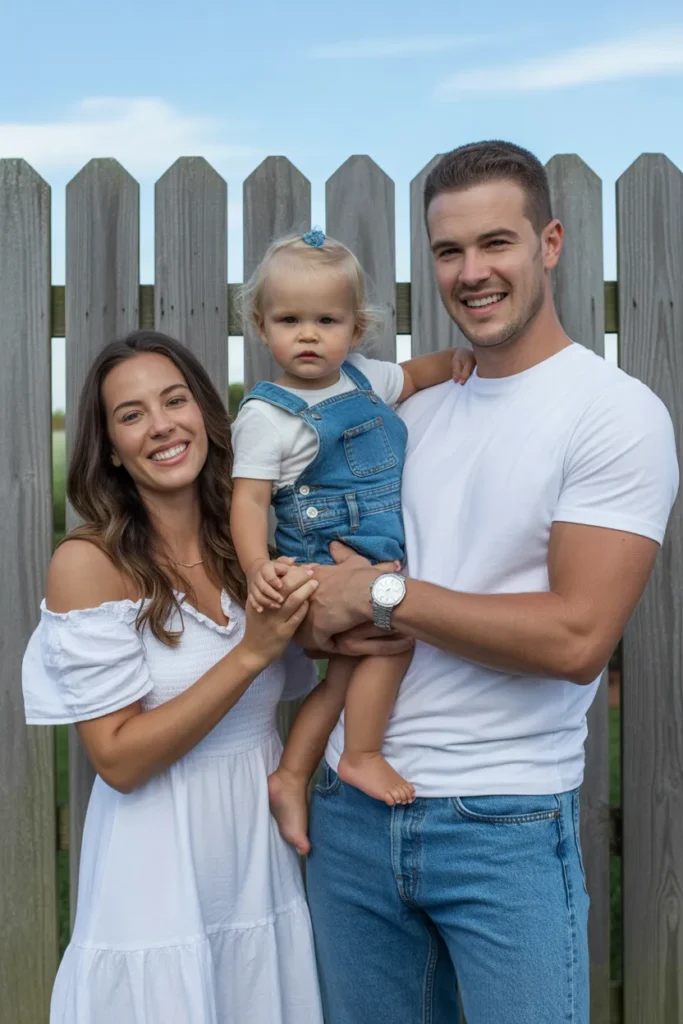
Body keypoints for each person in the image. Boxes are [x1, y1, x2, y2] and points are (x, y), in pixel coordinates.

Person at [297, 141, 679, 1024]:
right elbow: (329, 590)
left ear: (548, 243)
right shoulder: (409, 413)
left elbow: (575, 640)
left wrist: (385, 597)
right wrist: (322, 611)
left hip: (500, 822)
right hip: (351, 817)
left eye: (495, 244)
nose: (472, 273)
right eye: (447, 252)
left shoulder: (612, 415)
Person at [21, 330, 325, 1024]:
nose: (161, 426)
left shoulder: (249, 545)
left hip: (255, 854)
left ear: (206, 415)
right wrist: (248, 653)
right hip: (154, 863)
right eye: (131, 415)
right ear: (111, 447)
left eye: (174, 401)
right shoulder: (89, 564)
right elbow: (119, 760)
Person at [230, 229, 476, 854]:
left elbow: (415, 374)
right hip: (316, 562)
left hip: (367, 555)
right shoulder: (269, 415)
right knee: (390, 644)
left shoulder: (365, 379)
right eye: (290, 320)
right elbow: (250, 500)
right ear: (262, 328)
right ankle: (361, 753)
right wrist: (257, 565)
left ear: (356, 329)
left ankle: (290, 775)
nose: (308, 335)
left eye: (327, 320)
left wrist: (457, 360)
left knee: (345, 674)